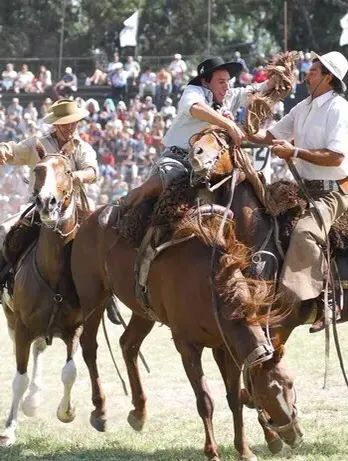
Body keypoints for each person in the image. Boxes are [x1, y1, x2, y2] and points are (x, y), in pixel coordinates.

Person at [248, 51, 348, 332]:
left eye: (314, 71)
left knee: (305, 232)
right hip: (301, 190)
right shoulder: (303, 107)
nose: (307, 75)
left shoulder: (339, 109)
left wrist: (294, 151)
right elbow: (268, 137)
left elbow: (336, 157)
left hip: (333, 192)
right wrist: (243, 126)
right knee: (260, 218)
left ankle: (326, 299)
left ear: (329, 77)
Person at [0, 98, 121, 324]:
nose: (71, 127)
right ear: (55, 124)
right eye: (66, 123)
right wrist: (4, 149)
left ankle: (109, 297)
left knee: (103, 237)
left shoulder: (82, 147)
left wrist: (74, 177)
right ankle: (4, 282)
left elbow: (93, 171)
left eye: (74, 123)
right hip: (39, 206)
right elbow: (14, 151)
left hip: (75, 207)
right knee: (4, 229)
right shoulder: (36, 144)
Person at [120, 56, 280, 208]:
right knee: (157, 184)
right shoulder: (193, 91)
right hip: (180, 159)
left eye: (228, 82)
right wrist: (229, 125)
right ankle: (120, 207)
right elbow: (195, 108)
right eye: (221, 81)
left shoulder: (228, 95)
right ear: (205, 81)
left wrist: (275, 81)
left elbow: (257, 90)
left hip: (213, 165)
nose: (226, 86)